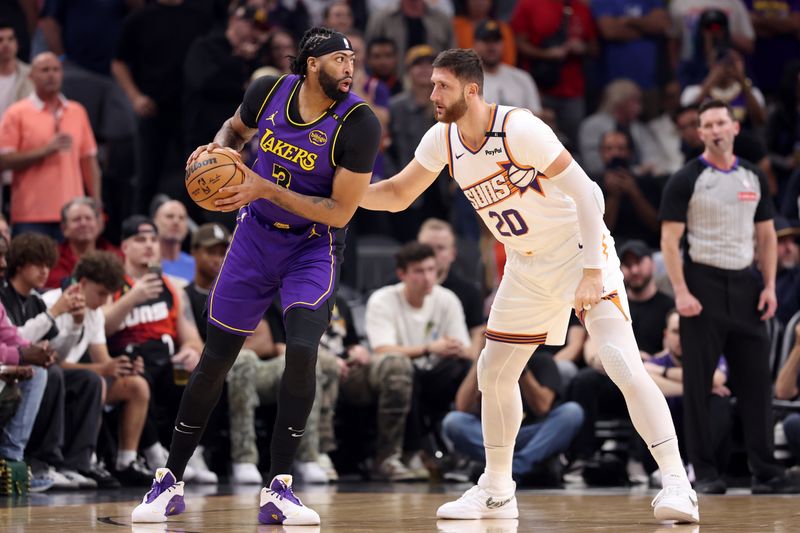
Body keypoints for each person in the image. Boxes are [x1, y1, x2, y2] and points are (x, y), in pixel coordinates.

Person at [360, 48, 697, 523]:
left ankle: (677, 483)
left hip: (580, 251)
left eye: (442, 86)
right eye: (431, 84)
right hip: (526, 263)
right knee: (493, 370)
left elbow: (589, 193)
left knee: (620, 360)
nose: (431, 93)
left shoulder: (518, 128)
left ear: (471, 90)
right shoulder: (443, 139)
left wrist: (592, 273)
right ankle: (497, 489)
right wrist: (341, 194)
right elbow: (396, 194)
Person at [131, 27, 380, 526]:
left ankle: (279, 488)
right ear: (311, 64)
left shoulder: (359, 122)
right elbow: (233, 131)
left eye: (352, 59)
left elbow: (339, 211)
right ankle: (169, 480)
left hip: (313, 244)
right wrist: (216, 154)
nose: (350, 68)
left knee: (304, 350)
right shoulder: (268, 90)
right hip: (254, 238)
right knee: (216, 357)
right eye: (339, 59)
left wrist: (261, 186)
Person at [660, 98, 800, 495]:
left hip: (747, 283)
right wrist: (682, 291)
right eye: (708, 125)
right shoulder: (687, 178)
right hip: (701, 284)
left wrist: (770, 285)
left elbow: (767, 235)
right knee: (700, 382)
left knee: (756, 382)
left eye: (722, 122)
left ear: (735, 128)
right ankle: (704, 471)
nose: (716, 130)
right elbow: (670, 241)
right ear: (700, 133)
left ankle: (766, 470)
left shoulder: (753, 176)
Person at [43, 251, 152, 486]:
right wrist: (104, 369)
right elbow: (49, 360)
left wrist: (122, 367)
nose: (104, 301)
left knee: (136, 385)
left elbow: (103, 361)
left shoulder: (94, 314)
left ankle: (126, 461)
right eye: (101, 293)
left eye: (108, 295)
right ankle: (80, 461)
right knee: (93, 381)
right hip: (51, 375)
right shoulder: (53, 302)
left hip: (79, 377)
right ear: (82, 283)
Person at [365, 242, 471, 477]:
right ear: (401, 274)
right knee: (403, 370)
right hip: (396, 375)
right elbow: (382, 350)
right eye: (419, 271)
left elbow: (465, 347)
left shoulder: (447, 299)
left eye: (431, 269)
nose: (427, 277)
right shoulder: (382, 299)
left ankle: (466, 454)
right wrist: (429, 348)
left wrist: (455, 349)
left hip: (435, 375)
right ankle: (408, 452)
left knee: (464, 367)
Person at [443, 351, 583, 485]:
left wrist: (519, 366)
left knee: (572, 412)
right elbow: (462, 407)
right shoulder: (488, 363)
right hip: (495, 437)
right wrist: (482, 360)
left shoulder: (543, 360)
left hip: (533, 437)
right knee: (454, 422)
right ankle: (516, 468)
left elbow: (542, 407)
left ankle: (512, 469)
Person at [0, 52, 101, 239]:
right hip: (30, 215)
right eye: (45, 70)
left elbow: (89, 162)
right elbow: (4, 160)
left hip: (74, 215)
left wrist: (96, 207)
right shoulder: (16, 113)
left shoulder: (77, 111)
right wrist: (45, 150)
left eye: (56, 69)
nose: (51, 75)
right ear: (31, 76)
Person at [46, 197, 122, 289]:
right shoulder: (51, 259)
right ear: (64, 228)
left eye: (88, 218)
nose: (83, 223)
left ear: (99, 225)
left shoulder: (116, 256)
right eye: (77, 219)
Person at [472, 20, 541, 114]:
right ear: (475, 44)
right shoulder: (465, 81)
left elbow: (536, 116)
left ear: (503, 44)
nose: (492, 46)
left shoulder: (522, 78)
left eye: (496, 41)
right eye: (486, 41)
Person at [152, 199, 194, 284]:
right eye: (169, 216)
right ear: (155, 221)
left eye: (181, 218)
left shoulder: (198, 266)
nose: (176, 221)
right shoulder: (142, 262)